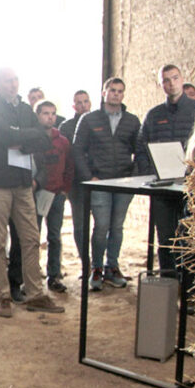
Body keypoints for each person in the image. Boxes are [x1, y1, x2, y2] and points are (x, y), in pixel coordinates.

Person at [0, 67, 64, 317]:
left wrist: (18, 138)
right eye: (7, 81)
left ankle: (35, 293)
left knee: (30, 238)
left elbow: (43, 139)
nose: (13, 85)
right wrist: (22, 137)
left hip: (23, 183)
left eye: (15, 80)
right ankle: (3, 296)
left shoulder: (26, 109)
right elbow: (1, 137)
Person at [72, 77, 140, 292]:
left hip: (123, 183)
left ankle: (112, 267)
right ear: (104, 93)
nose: (116, 94)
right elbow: (77, 149)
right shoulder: (89, 120)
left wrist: (134, 178)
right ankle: (96, 268)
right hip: (99, 182)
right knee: (101, 227)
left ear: (123, 94)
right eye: (112, 90)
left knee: (117, 227)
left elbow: (140, 150)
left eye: (120, 91)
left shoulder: (132, 121)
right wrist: (88, 176)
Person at [136, 64, 195, 281]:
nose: (171, 84)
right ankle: (168, 289)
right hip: (162, 187)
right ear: (161, 84)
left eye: (175, 78)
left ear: (182, 79)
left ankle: (189, 292)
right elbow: (142, 146)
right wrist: (151, 174)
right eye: (166, 80)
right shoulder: (154, 115)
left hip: (189, 186)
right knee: (165, 239)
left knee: (189, 238)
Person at [33, 100, 73, 292]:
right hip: (37, 193)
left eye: (53, 113)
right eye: (45, 113)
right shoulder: (32, 139)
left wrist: (65, 189)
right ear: (37, 115)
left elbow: (69, 167)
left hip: (57, 194)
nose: (50, 117)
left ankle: (54, 275)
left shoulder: (63, 142)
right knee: (33, 237)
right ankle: (31, 276)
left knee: (55, 237)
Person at [60, 89, 92, 269]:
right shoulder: (66, 127)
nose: (82, 105)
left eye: (85, 101)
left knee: (101, 225)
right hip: (76, 183)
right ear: (74, 105)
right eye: (78, 102)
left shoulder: (97, 122)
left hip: (96, 181)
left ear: (90, 103)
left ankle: (98, 263)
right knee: (80, 225)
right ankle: (85, 263)